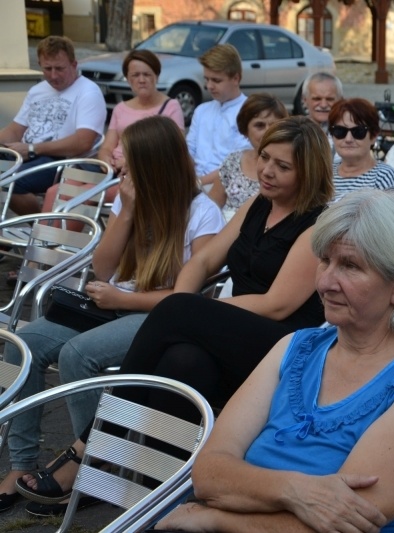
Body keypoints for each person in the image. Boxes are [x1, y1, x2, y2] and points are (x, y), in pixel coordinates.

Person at [14, 116, 335, 513]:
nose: (266, 170)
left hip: (282, 344)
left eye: (282, 166)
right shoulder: (257, 204)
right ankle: (160, 494)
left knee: (180, 316)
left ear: (309, 172)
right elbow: (203, 262)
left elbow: (278, 305)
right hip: (232, 331)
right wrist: (183, 308)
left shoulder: (319, 223)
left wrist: (191, 310)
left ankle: (91, 446)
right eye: (265, 157)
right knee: (182, 361)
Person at [142, 190, 394, 532]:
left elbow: (342, 524)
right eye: (325, 261)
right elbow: (209, 473)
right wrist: (295, 490)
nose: (326, 282)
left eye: (350, 266)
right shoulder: (295, 348)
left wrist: (215, 517)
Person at [0, 115, 225, 513]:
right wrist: (128, 212)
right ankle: (20, 466)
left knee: (78, 355)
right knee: (27, 344)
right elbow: (104, 269)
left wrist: (123, 301)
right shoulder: (129, 198)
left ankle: (94, 464)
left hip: (156, 317)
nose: (119, 162)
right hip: (112, 304)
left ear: (154, 163)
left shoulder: (202, 213)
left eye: (129, 157)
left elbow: (187, 303)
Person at [40, 50, 185, 215]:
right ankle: (44, 240)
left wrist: (133, 161)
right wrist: (106, 158)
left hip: (143, 175)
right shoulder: (121, 108)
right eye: (135, 75)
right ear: (128, 79)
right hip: (111, 171)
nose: (142, 80)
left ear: (156, 76)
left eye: (147, 74)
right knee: (54, 191)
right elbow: (107, 147)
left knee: (82, 195)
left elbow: (175, 150)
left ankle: (66, 240)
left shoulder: (171, 106)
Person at [0, 35, 105, 216]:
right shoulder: (37, 90)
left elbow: (83, 142)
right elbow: (16, 130)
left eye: (59, 68)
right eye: (47, 69)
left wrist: (33, 149)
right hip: (30, 154)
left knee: (9, 181)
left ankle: (40, 232)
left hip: (63, 160)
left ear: (74, 65)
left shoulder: (88, 92)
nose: (53, 75)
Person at [206, 93, 288, 221]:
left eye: (274, 126)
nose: (268, 132)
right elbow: (210, 208)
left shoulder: (288, 167)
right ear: (245, 129)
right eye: (259, 125)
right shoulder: (232, 162)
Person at [189, 44, 251, 185]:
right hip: (195, 183)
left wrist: (198, 182)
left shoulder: (249, 111)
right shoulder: (202, 111)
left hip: (228, 187)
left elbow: (238, 162)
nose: (209, 86)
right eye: (207, 79)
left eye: (216, 80)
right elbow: (189, 150)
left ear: (236, 78)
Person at [329, 98, 394, 202]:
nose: (348, 139)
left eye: (358, 132)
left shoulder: (384, 177)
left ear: (373, 136)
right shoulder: (325, 174)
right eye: (340, 131)